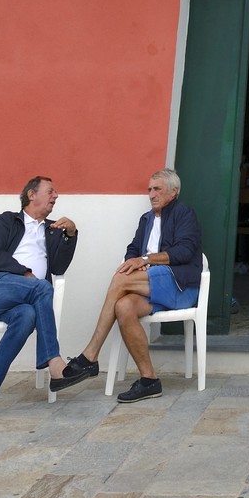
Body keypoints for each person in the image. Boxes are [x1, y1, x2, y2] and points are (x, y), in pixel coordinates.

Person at [59, 168, 202, 403]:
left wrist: (145, 260)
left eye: (157, 189)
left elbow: (184, 251)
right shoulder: (146, 219)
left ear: (173, 192)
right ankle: (149, 380)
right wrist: (135, 263)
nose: (151, 194)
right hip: (153, 285)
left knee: (120, 278)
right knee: (123, 307)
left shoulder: (184, 213)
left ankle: (90, 355)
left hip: (180, 286)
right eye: (149, 189)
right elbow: (133, 249)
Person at [0, 176, 79, 424]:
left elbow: (58, 267)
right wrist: (24, 272)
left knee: (27, 316)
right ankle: (53, 361)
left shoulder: (53, 229)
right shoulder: (8, 220)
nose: (56, 196)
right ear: (31, 195)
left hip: (22, 304)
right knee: (43, 287)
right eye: (50, 191)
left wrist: (70, 235)